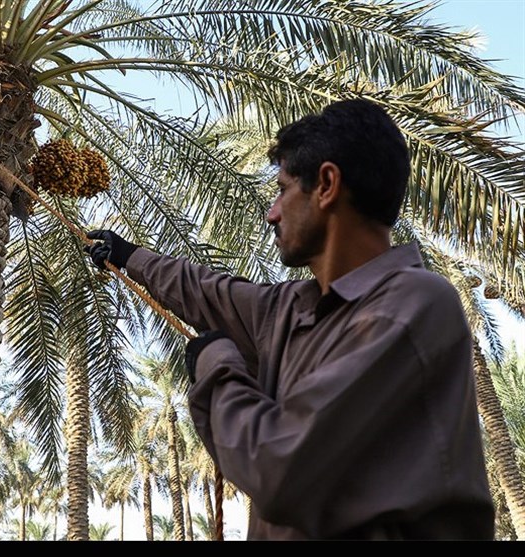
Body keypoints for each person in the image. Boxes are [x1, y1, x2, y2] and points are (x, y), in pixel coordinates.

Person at [85, 99, 495, 540]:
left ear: (326, 184)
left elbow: (280, 465)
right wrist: (127, 255)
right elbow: (204, 289)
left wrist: (217, 365)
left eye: (282, 190)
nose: (272, 212)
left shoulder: (412, 305)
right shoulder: (291, 308)